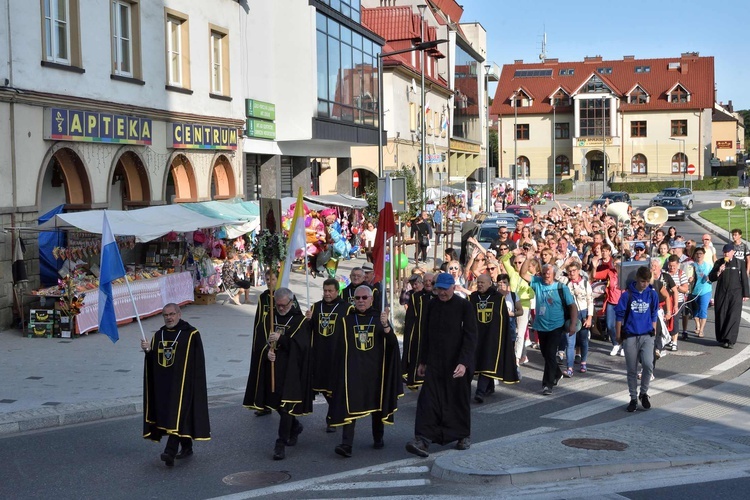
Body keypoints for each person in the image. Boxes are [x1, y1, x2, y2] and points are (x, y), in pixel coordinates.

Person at [405, 272, 477, 457]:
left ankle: (462, 435)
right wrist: (423, 360)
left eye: (445, 289)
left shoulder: (464, 306)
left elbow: (470, 337)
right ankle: (423, 440)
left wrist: (464, 363)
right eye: (439, 290)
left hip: (457, 364)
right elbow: (426, 334)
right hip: (435, 362)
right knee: (428, 401)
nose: (442, 293)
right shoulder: (432, 305)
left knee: (457, 401)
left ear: (453, 287)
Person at [329, 286, 402, 457]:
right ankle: (346, 444)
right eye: (357, 298)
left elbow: (392, 345)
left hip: (375, 371)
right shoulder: (346, 320)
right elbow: (338, 348)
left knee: (377, 405)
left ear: (371, 299)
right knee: (349, 406)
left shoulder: (380, 318)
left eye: (364, 297)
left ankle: (378, 437)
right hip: (353, 372)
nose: (361, 301)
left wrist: (386, 327)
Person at [141, 303, 210, 466]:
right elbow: (156, 362)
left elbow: (198, 361)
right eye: (166, 315)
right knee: (175, 416)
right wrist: (148, 351)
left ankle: (169, 452)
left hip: (185, 383)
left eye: (172, 314)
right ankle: (187, 447)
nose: (169, 318)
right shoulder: (159, 335)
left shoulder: (191, 334)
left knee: (179, 415)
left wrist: (195, 384)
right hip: (166, 385)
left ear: (179, 314)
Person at [251, 287, 313, 460]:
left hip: (291, 370)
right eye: (278, 306)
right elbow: (260, 341)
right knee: (277, 403)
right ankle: (295, 426)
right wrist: (266, 352)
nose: (281, 309)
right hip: (273, 368)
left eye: (284, 305)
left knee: (286, 407)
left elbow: (303, 347)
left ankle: (280, 444)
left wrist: (282, 339)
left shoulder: (300, 321)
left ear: (291, 303)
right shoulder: (270, 318)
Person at [519, 251, 578, 396]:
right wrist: (527, 259)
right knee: (546, 354)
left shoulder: (561, 287)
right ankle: (557, 373)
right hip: (540, 325)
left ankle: (547, 385)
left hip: (556, 326)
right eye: (544, 272)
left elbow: (573, 306)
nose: (546, 275)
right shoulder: (537, 283)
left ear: (553, 274)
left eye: (549, 273)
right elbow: (522, 273)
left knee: (551, 354)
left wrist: (573, 325)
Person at [306, 278, 354, 432]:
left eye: (330, 291)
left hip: (337, 355)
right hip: (319, 355)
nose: (327, 294)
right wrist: (307, 320)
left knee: (335, 388)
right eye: (325, 290)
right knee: (322, 387)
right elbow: (308, 330)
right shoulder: (316, 307)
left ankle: (332, 416)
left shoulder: (347, 308)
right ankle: (332, 414)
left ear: (337, 291)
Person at [471, 273, 521, 403]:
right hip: (477, 335)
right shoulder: (473, 297)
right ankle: (489, 386)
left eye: (482, 282)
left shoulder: (498, 298)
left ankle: (480, 392)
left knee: (488, 362)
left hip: (493, 337)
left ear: (489, 283)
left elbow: (502, 318)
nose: (480, 284)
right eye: (478, 282)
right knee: (479, 361)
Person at [615, 266, 659, 412]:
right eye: (642, 281)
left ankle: (644, 392)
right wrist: (618, 335)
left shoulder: (652, 294)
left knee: (648, 365)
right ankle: (633, 397)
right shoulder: (627, 295)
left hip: (647, 334)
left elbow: (654, 313)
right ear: (637, 279)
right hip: (630, 335)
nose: (644, 284)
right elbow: (619, 316)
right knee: (631, 369)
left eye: (647, 281)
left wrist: (654, 330)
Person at [243, 269, 279, 417]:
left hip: (280, 340)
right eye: (267, 279)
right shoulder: (263, 297)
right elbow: (259, 321)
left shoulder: (284, 295)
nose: (270, 282)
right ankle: (263, 404)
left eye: (273, 279)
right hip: (264, 340)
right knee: (263, 372)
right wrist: (260, 342)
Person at [709, 244, 750, 349]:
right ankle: (722, 338)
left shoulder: (740, 263)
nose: (726, 254)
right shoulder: (719, 263)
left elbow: (744, 278)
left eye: (728, 252)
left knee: (733, 315)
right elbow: (711, 277)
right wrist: (719, 271)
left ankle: (730, 340)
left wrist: (746, 293)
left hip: (735, 293)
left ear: (733, 252)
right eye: (724, 252)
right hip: (722, 292)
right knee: (721, 314)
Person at [402, 272, 435, 390]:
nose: (427, 283)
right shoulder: (416, 297)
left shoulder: (439, 297)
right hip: (420, 334)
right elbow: (411, 318)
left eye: (430, 280)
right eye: (425, 281)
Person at [561, 262, 594, 376]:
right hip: (570, 314)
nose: (572, 273)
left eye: (574, 270)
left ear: (579, 271)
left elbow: (590, 301)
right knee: (570, 342)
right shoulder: (566, 283)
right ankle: (569, 368)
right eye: (570, 271)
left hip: (583, 313)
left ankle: (583, 362)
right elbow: (555, 276)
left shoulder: (585, 284)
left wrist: (589, 318)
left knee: (583, 340)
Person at [688, 247, 712, 338]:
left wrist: (709, 278)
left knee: (703, 310)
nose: (699, 255)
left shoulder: (708, 266)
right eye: (697, 253)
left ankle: (701, 330)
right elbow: (688, 276)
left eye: (700, 253)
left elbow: (712, 277)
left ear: (704, 254)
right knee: (695, 311)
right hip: (694, 290)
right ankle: (697, 325)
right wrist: (690, 279)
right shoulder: (692, 265)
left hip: (705, 290)